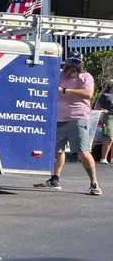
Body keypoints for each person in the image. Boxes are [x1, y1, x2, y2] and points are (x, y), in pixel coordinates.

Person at [35, 55, 101, 194]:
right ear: (66, 64)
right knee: (57, 150)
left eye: (77, 63)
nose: (74, 66)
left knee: (82, 150)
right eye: (72, 63)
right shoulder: (60, 76)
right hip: (58, 117)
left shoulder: (85, 76)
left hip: (77, 117)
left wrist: (64, 90)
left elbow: (88, 93)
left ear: (81, 65)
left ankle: (94, 183)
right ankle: (55, 179)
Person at [98, 81, 113, 163]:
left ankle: (111, 159)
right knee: (109, 137)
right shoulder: (105, 95)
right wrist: (102, 110)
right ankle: (103, 158)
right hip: (109, 117)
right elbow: (98, 107)